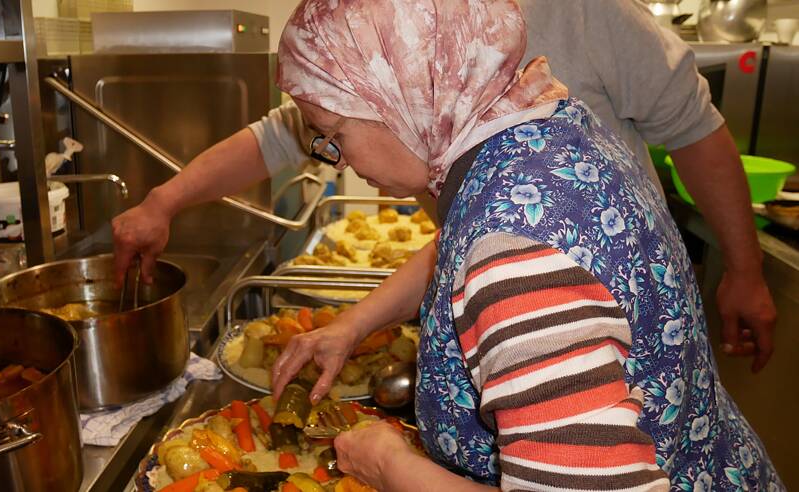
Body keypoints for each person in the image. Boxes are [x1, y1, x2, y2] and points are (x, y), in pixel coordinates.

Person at [265, 0, 781, 490]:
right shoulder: (538, 129)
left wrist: (391, 466)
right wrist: (353, 325)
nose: (338, 160)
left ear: (401, 96)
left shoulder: (512, 257)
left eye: (333, 134)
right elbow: (467, 246)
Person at [111, 0, 775, 373]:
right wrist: (164, 199)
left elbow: (580, 474)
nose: (331, 158)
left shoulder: (523, 245)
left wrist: (743, 269)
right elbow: (283, 136)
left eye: (334, 134)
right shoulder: (503, 139)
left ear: (412, 90)